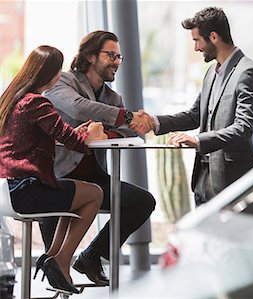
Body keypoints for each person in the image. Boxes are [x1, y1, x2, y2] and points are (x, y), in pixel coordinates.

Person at [43, 30, 156, 286]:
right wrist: (126, 117)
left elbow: (130, 133)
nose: (116, 61)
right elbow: (78, 107)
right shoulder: (62, 81)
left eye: (119, 56)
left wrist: (105, 133)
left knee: (142, 201)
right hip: (59, 179)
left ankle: (92, 256)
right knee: (52, 265)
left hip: (94, 180)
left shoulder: (113, 98)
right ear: (91, 56)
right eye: (111, 55)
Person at [0, 45, 106, 293]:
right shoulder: (37, 102)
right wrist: (92, 135)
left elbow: (46, 135)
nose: (60, 76)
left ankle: (52, 257)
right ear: (48, 73)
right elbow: (74, 142)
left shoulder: (13, 99)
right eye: (58, 70)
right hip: (24, 191)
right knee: (95, 194)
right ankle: (62, 259)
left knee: (72, 195)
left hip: (7, 190)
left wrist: (73, 134)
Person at [140, 7, 253, 206]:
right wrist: (153, 122)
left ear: (213, 36)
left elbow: (244, 128)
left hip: (232, 181)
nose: (196, 48)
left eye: (197, 40)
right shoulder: (211, 73)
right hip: (203, 181)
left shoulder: (247, 72)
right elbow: (194, 116)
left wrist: (197, 140)